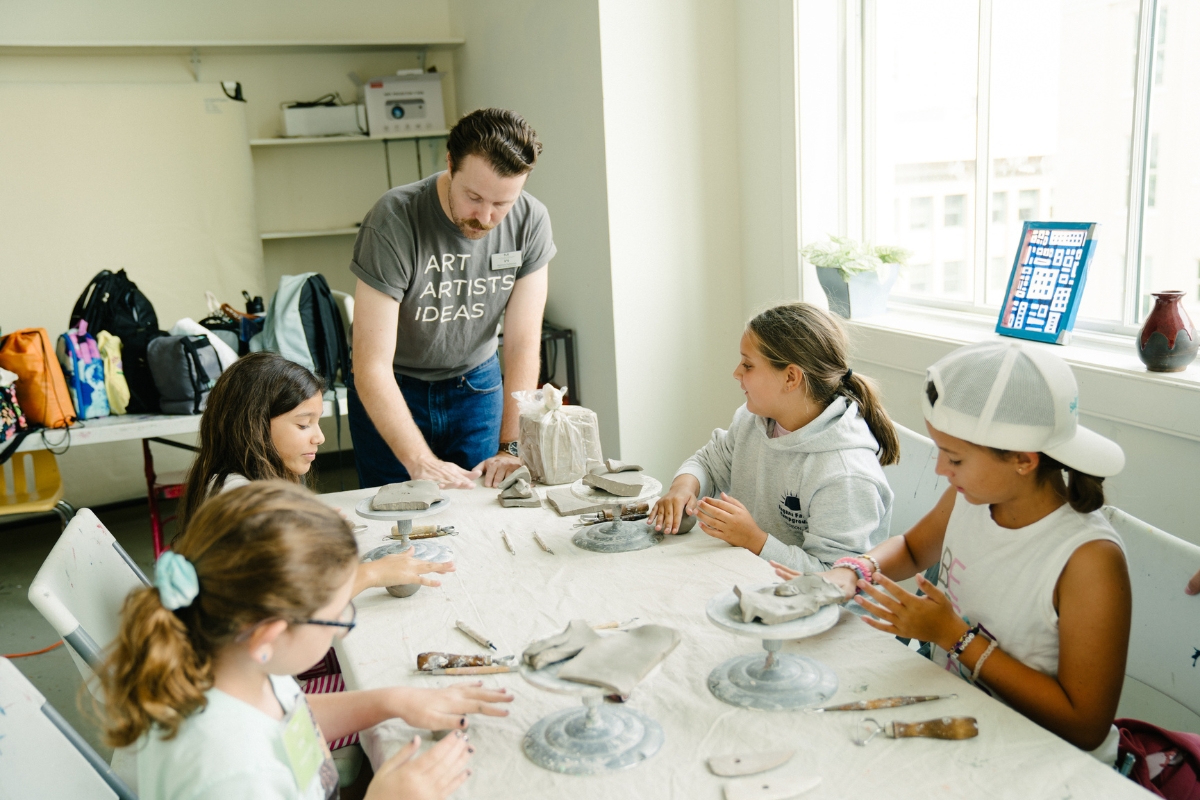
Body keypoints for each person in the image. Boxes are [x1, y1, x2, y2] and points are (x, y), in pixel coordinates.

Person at [776, 339, 1130, 762]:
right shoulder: (974, 497)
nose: (941, 471)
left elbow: (1085, 726)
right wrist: (853, 571)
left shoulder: (1089, 560)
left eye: (955, 459)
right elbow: (910, 547)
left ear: (1023, 460)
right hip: (962, 714)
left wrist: (954, 637)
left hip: (1044, 756)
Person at [99, 481, 512, 799]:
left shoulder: (236, 664)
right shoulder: (232, 772)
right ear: (271, 634)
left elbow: (287, 719)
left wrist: (390, 702)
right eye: (337, 617)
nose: (342, 624)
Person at [348, 108, 554, 491]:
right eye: (474, 197)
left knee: (481, 509)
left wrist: (511, 446)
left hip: (476, 387)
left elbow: (523, 344)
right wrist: (420, 461)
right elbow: (370, 363)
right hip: (394, 386)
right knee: (396, 515)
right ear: (449, 165)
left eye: (502, 203)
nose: (486, 217)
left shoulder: (531, 220)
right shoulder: (394, 218)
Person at [648, 302, 898, 571]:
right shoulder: (753, 420)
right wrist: (684, 487)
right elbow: (709, 462)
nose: (736, 373)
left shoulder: (845, 473)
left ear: (791, 377)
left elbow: (837, 577)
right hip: (752, 579)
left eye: (748, 365)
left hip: (820, 607)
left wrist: (755, 540)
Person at [180, 352, 451, 598]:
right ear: (253, 425)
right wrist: (371, 574)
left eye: (317, 422)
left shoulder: (236, 482)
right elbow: (293, 597)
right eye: (303, 424)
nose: (319, 437)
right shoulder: (239, 499)